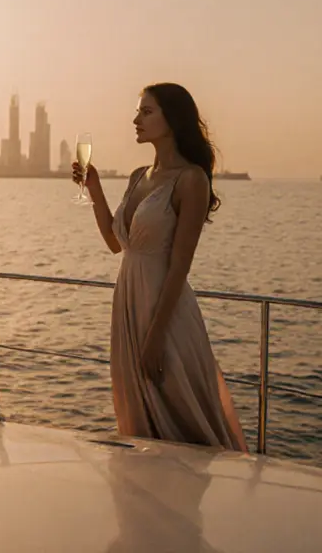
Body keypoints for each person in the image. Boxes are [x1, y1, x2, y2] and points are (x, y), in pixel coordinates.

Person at [75, 83, 247, 452]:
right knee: (138, 422)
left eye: (147, 111)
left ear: (173, 119)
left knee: (182, 419)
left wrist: (156, 335)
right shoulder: (139, 176)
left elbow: (180, 267)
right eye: (138, 112)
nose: (136, 119)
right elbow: (114, 242)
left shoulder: (191, 180)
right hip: (128, 307)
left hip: (165, 314)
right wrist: (94, 187)